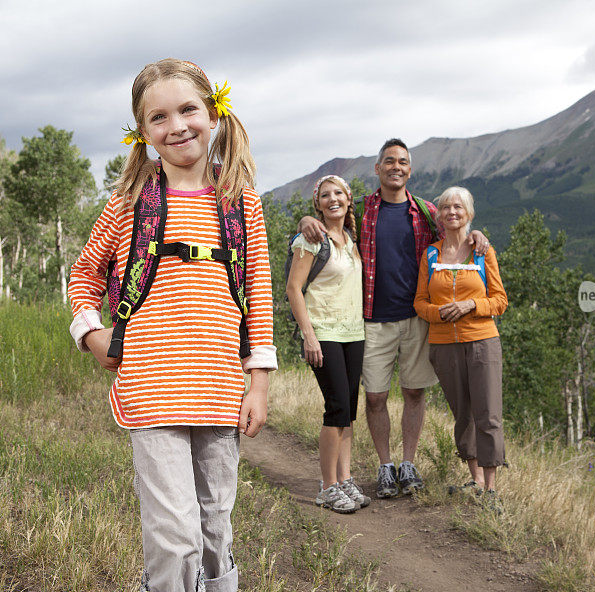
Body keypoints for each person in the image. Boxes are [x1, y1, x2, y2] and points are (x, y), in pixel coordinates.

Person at [68, 59, 276, 592]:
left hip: (221, 389)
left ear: (214, 114)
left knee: (214, 523)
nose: (177, 125)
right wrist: (91, 334)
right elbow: (84, 273)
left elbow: (259, 293)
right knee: (174, 531)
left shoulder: (240, 204)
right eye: (158, 117)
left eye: (188, 109)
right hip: (151, 388)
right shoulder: (129, 206)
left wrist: (260, 383)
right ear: (143, 133)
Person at [300, 139, 489, 498]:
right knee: (374, 397)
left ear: (410, 170)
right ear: (378, 169)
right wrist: (307, 218)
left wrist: (476, 234)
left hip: (417, 317)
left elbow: (456, 231)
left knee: (414, 392)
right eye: (389, 161)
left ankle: (409, 463)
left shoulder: (425, 211)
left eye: (402, 162)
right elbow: (331, 214)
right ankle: (385, 466)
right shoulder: (363, 211)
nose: (395, 167)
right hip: (371, 319)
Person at [413, 186, 507, 504]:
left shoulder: (482, 251)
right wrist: (437, 313)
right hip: (443, 345)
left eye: (459, 207)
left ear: (469, 213)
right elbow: (420, 302)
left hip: (482, 342)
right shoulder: (431, 254)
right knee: (463, 414)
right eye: (446, 208)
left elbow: (500, 301)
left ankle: (491, 488)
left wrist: (470, 306)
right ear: (439, 215)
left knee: (488, 413)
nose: (452, 212)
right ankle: (475, 479)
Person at [286, 174, 370, 513]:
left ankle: (345, 478)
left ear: (349, 199)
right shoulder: (310, 240)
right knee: (335, 408)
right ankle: (327, 486)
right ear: (318, 204)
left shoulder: (352, 239)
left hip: (354, 333)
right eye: (324, 195)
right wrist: (309, 335)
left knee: (348, 412)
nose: (332, 199)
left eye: (338, 193)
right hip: (323, 333)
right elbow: (294, 288)